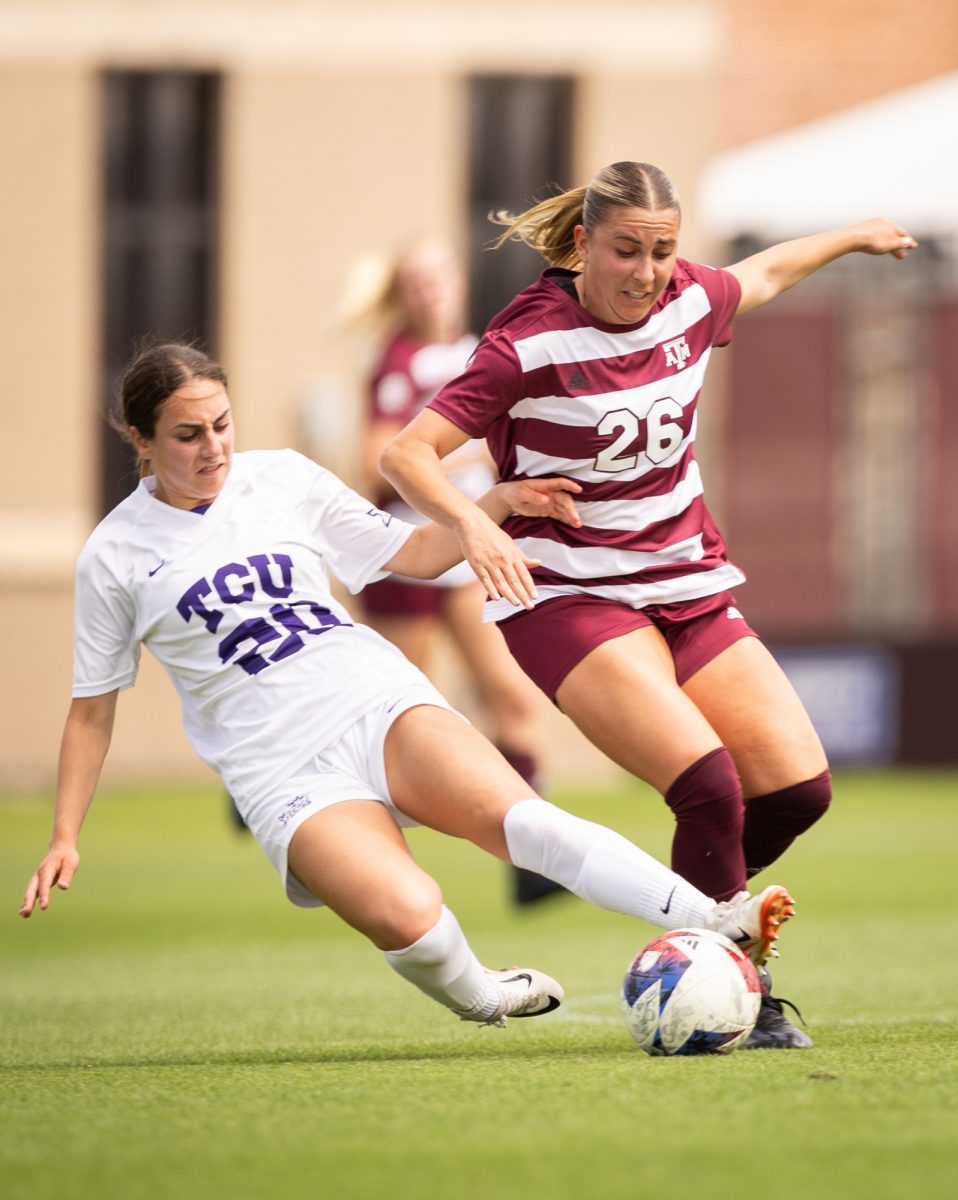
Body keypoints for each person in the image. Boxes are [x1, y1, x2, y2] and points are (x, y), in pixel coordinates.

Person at [19, 340, 796, 1031]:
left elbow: (417, 554)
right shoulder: (115, 556)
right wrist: (64, 835)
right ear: (140, 440)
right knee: (409, 914)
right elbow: (92, 711)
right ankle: (484, 996)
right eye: (188, 435)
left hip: (373, 697)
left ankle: (720, 919)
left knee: (522, 823)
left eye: (222, 423)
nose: (214, 447)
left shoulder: (280, 478)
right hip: (280, 768)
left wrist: (493, 506)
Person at [380, 161, 919, 1047]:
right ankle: (735, 985)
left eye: (663, 252)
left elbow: (765, 274)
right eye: (627, 250)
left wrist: (856, 234)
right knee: (707, 787)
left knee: (798, 791)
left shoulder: (689, 301)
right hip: (569, 595)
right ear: (585, 243)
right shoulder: (529, 340)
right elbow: (408, 454)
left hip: (689, 585)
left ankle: (695, 921)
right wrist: (477, 529)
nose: (646, 272)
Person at [357, 236, 563, 905]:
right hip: (412, 549)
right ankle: (312, 810)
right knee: (395, 709)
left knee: (510, 695)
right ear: (401, 291)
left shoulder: (483, 350)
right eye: (414, 280)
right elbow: (378, 459)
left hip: (470, 545)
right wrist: (472, 465)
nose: (429, 290)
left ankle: (535, 862)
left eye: (437, 276)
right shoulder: (395, 362)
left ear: (456, 279)